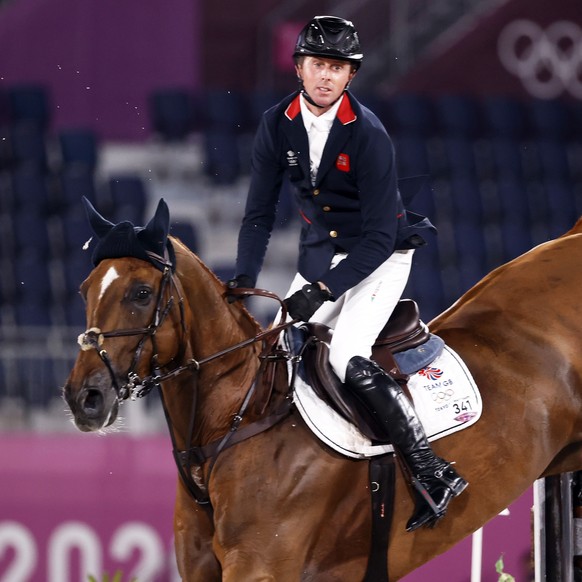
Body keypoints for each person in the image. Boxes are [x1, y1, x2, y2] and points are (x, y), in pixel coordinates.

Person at [228, 15, 467, 531]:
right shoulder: (277, 123)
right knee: (271, 357)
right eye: (318, 64)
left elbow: (381, 238)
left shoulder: (370, 135)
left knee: (345, 355)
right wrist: (243, 283)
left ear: (351, 76)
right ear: (299, 67)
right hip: (319, 255)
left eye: (337, 67)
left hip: (379, 259)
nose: (326, 77)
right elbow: (259, 214)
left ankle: (429, 471)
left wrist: (324, 291)